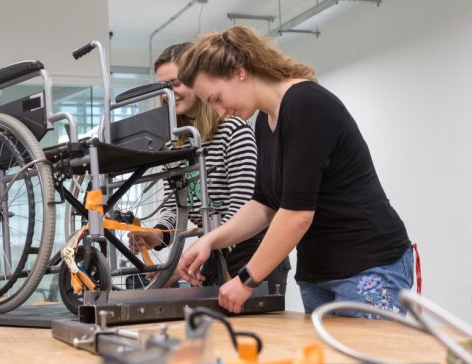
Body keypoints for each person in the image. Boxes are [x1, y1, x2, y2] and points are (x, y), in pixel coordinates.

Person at [173, 26, 413, 318]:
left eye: (217, 98)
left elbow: (297, 215)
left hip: (368, 265)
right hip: (317, 273)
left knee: (371, 363)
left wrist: (247, 280)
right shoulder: (265, 121)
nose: (220, 111)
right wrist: (210, 240)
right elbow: (264, 204)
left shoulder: (305, 104)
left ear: (239, 71)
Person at [128, 42, 290, 293]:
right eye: (163, 88)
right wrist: (156, 235)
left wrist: (199, 252)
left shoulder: (233, 130)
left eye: (175, 84)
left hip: (252, 251)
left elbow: (245, 205)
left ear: (198, 81)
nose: (168, 94)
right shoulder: (174, 144)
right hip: (214, 250)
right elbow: (176, 209)